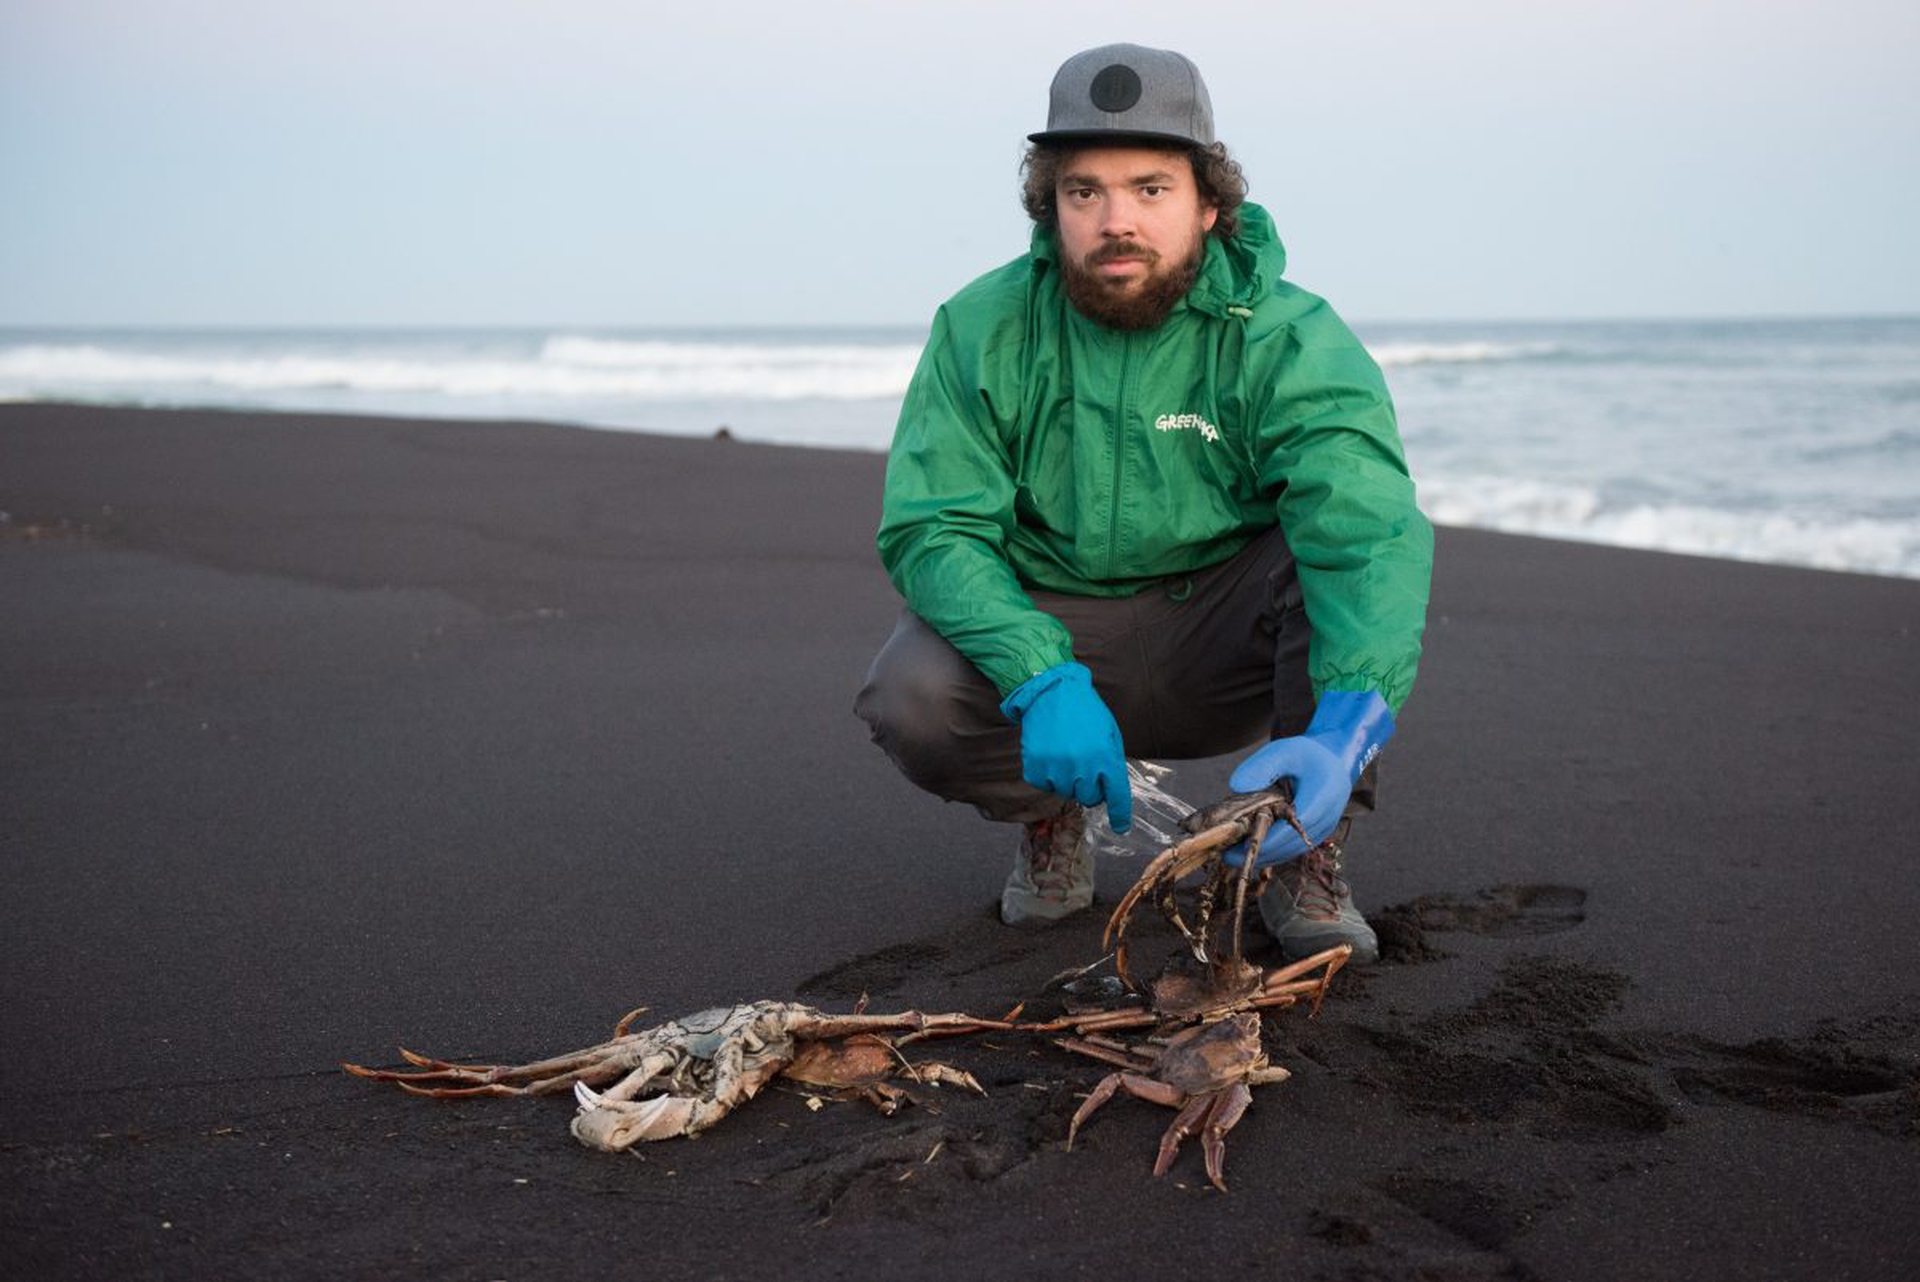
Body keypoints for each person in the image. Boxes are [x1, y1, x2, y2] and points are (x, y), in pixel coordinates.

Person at [854, 43, 1432, 964]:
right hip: (1060, 632)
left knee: (1332, 564)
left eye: (1150, 189)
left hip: (1225, 637)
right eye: (1084, 191)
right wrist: (1040, 675)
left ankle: (1305, 848)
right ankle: (1052, 821)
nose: (1116, 220)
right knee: (911, 693)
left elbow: (1367, 534)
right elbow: (934, 526)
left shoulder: (1290, 338)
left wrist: (1348, 729)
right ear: (1051, 207)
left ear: (1210, 202)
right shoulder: (982, 325)